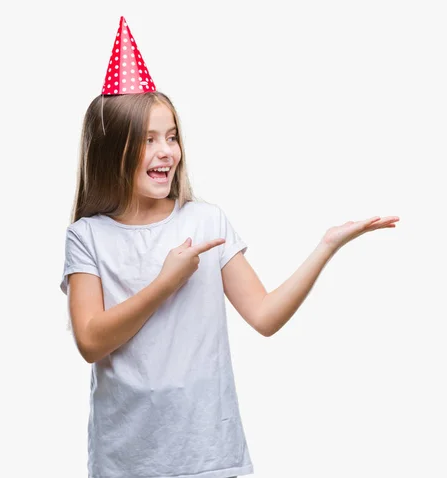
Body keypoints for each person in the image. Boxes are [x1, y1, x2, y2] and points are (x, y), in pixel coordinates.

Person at [60, 16, 399, 478]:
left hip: (209, 456)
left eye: (173, 136)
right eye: (148, 139)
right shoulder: (88, 236)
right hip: (126, 462)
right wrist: (165, 283)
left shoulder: (205, 221)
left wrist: (327, 246)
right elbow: (90, 341)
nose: (167, 151)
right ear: (111, 149)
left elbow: (264, 317)